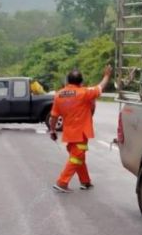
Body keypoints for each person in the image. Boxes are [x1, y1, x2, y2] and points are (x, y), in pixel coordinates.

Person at [48, 64, 112, 192]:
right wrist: (107, 75)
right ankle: (62, 182)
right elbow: (100, 87)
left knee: (78, 157)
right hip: (81, 133)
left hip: (69, 132)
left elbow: (53, 117)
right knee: (76, 157)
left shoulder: (58, 95)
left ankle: (85, 181)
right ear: (81, 82)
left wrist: (52, 130)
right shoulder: (84, 92)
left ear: (67, 81)